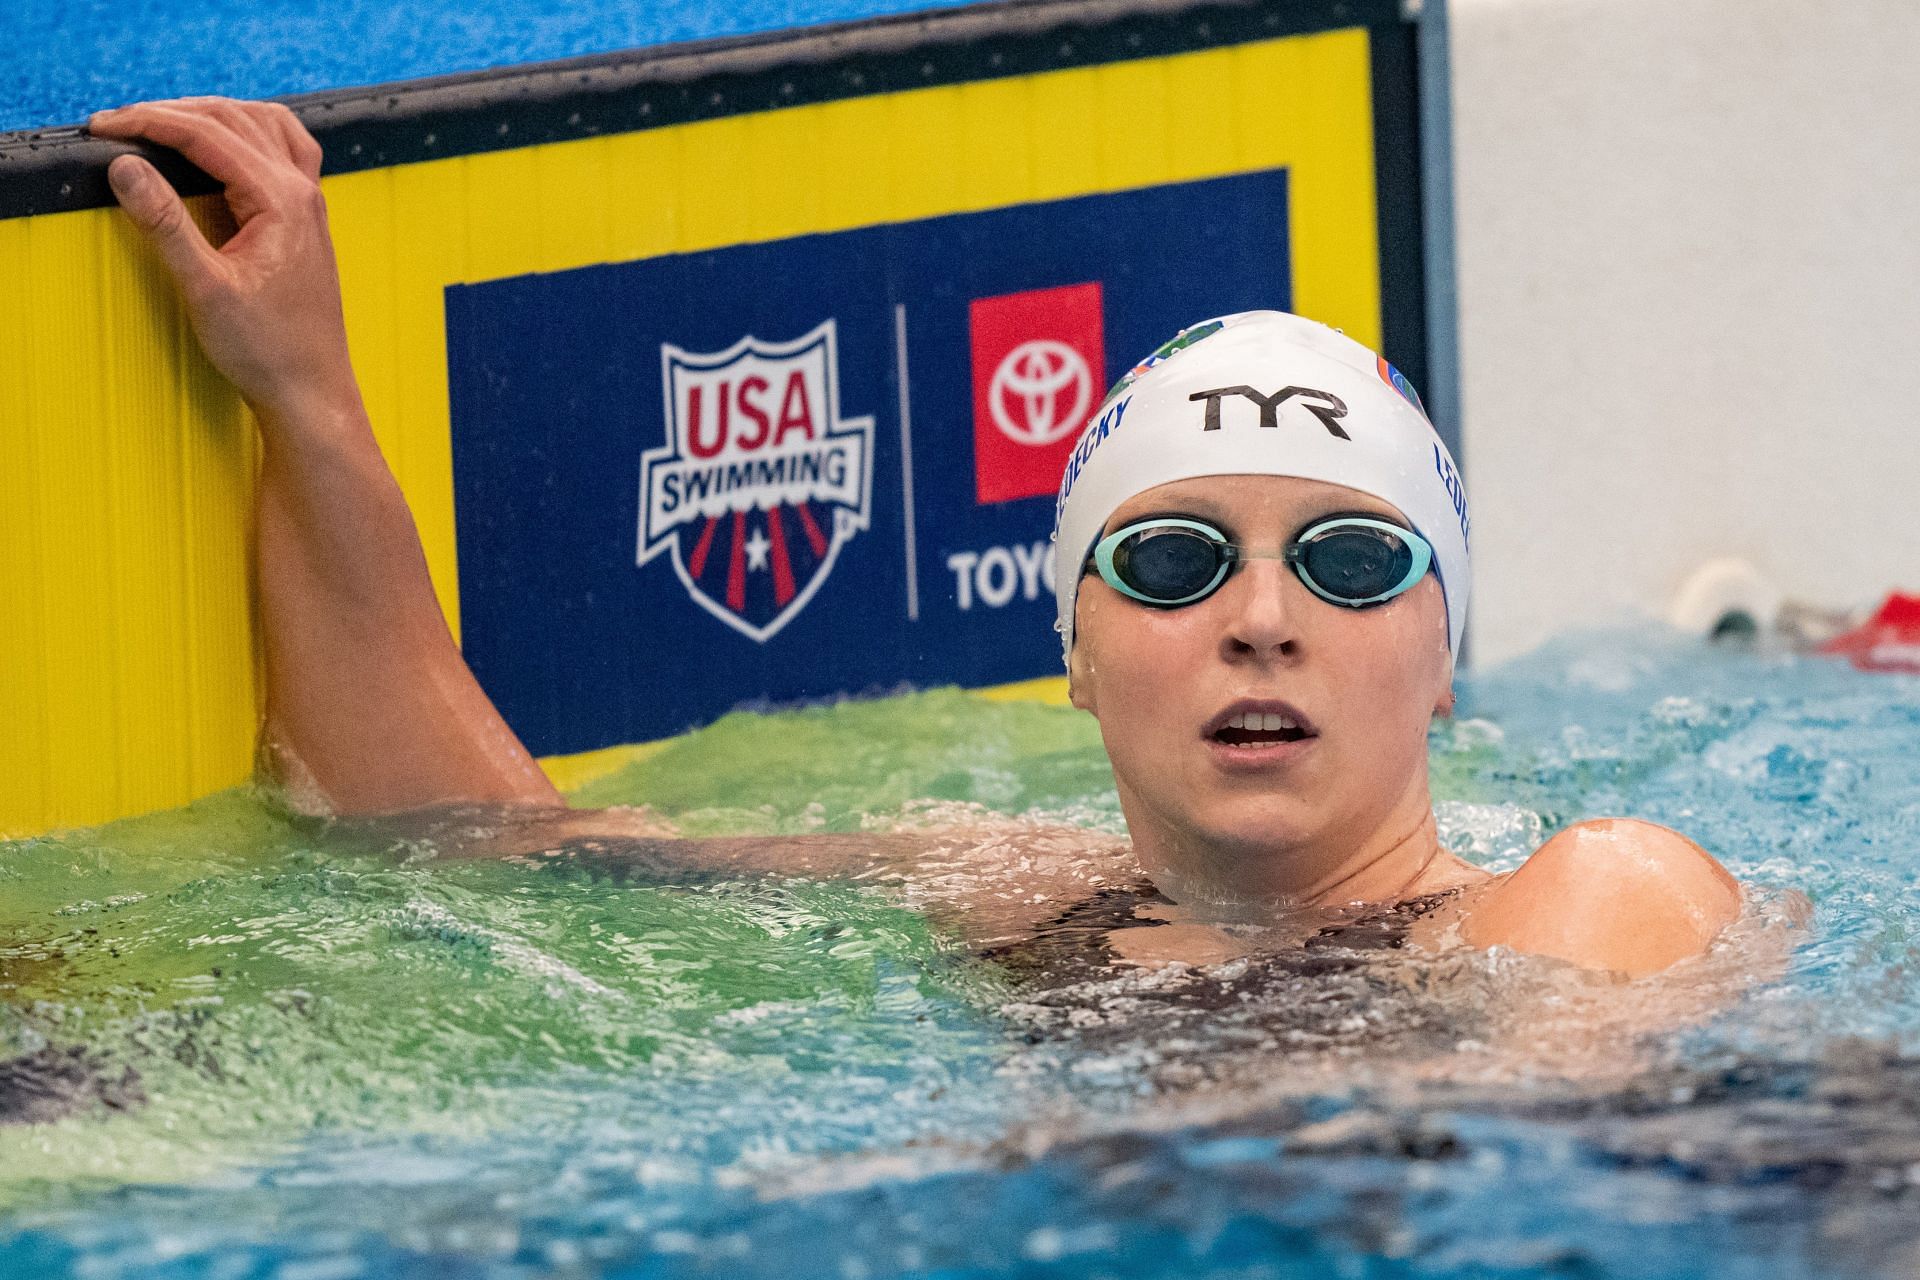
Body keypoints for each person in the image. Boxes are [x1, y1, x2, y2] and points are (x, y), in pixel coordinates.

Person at [85, 97, 1743, 981]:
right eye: (1171, 560)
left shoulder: (1599, 902)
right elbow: (471, 831)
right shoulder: (1011, 893)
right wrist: (302, 394)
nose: (1261, 617)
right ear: (1076, 659)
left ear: (1448, 651)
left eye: (1351, 562)